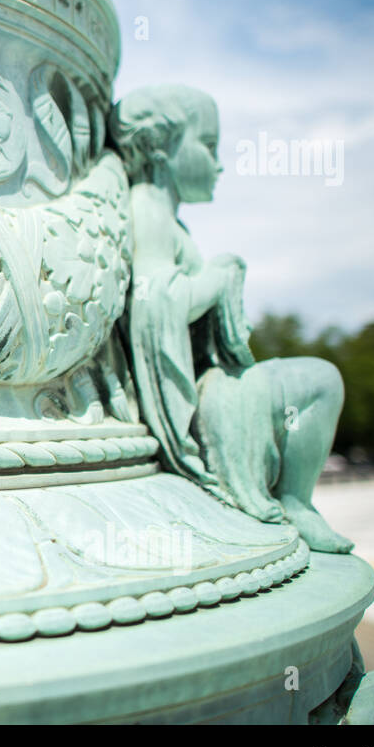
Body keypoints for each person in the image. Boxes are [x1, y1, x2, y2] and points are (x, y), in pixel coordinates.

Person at [113, 84, 352, 553]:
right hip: (202, 395)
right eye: (209, 146)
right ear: (162, 147)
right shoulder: (148, 207)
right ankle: (295, 501)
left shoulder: (165, 215)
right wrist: (219, 277)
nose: (220, 164)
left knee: (315, 379)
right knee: (323, 381)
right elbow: (154, 303)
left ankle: (295, 499)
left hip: (208, 382)